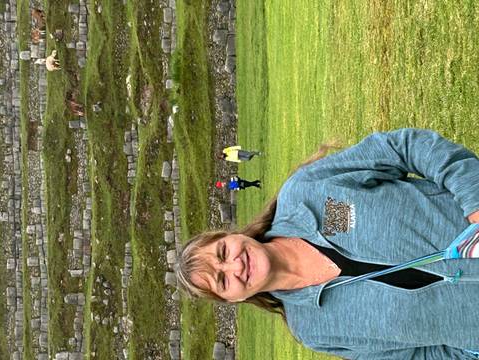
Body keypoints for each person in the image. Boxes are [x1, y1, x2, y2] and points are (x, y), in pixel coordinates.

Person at [176, 129, 479, 360]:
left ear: (231, 235)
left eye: (223, 252)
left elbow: (402, 148)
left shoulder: (305, 192)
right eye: (223, 279)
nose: (235, 265)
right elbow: (418, 356)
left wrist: (474, 200)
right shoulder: (313, 330)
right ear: (233, 300)